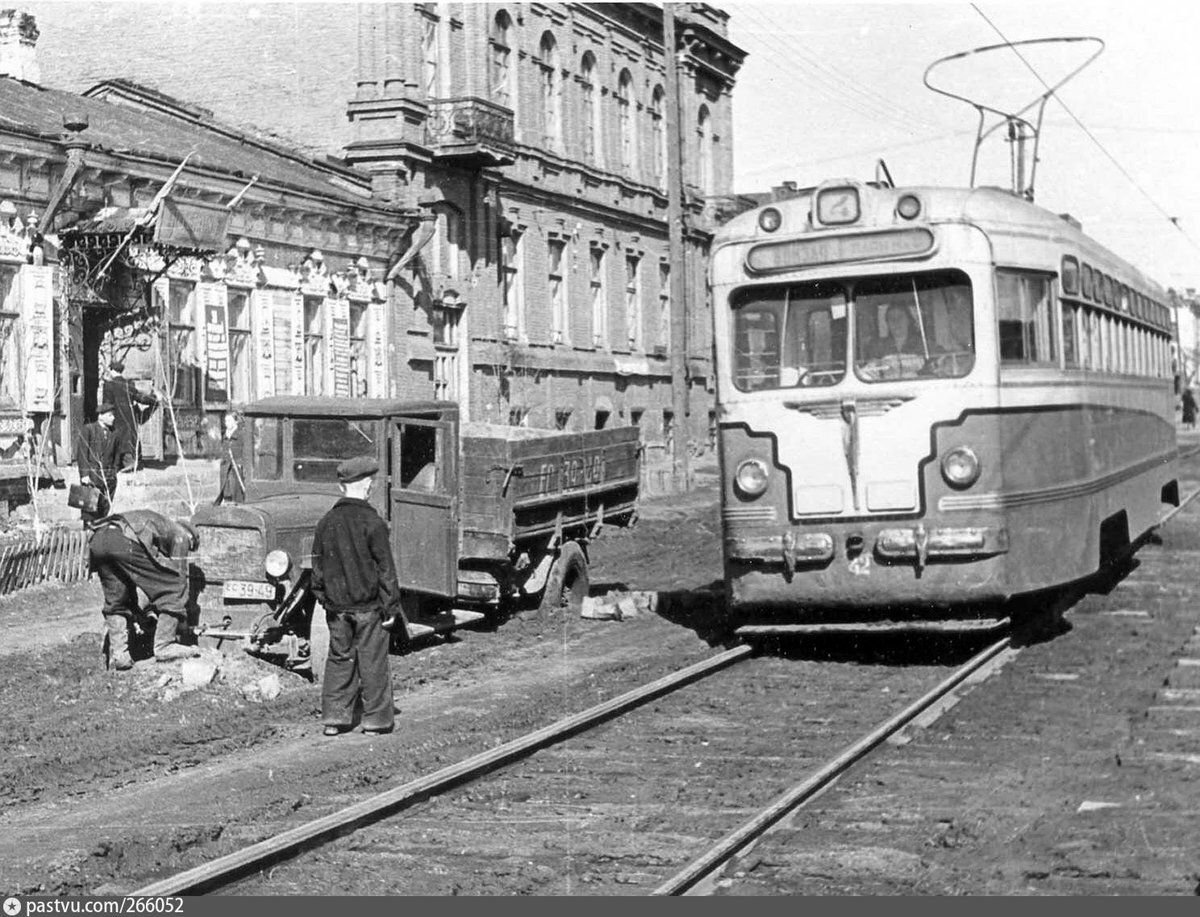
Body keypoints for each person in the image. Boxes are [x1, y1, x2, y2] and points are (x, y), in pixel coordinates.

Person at [311, 456, 407, 737]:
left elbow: (317, 568)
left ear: (342, 487)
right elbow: (386, 570)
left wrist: (325, 599)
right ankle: (377, 722)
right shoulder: (373, 522)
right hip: (369, 608)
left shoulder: (326, 522)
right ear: (367, 485)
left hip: (337, 608)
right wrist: (390, 608)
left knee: (339, 659)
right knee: (373, 661)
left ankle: (334, 719)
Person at [88, 509, 201, 670]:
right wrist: (180, 621)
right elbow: (179, 577)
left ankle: (120, 655)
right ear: (191, 539)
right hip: (122, 540)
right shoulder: (182, 535)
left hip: (99, 538)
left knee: (118, 597)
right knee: (174, 587)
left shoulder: (161, 523)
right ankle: (165, 645)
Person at [101, 359, 159, 473]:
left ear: (112, 370)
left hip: (115, 418)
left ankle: (120, 464)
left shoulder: (109, 385)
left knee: (115, 440)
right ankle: (131, 461)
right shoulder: (128, 384)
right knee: (129, 440)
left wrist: (105, 416)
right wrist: (154, 399)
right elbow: (140, 398)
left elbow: (107, 405)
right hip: (129, 418)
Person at [76, 402, 120, 528]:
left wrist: (114, 473)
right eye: (110, 415)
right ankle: (88, 536)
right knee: (89, 513)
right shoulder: (89, 429)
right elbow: (82, 453)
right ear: (101, 416)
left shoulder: (114, 433)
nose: (113, 418)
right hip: (91, 478)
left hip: (108, 478)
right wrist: (84, 475)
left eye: (113, 415)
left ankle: (100, 537)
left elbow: (116, 455)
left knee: (104, 511)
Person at [214, 411, 246, 505]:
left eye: (229, 420)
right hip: (225, 469)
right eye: (225, 421)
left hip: (236, 469)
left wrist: (241, 464)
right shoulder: (225, 435)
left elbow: (246, 451)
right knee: (226, 491)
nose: (226, 423)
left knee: (236, 493)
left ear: (235, 421)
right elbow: (224, 451)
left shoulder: (241, 435)